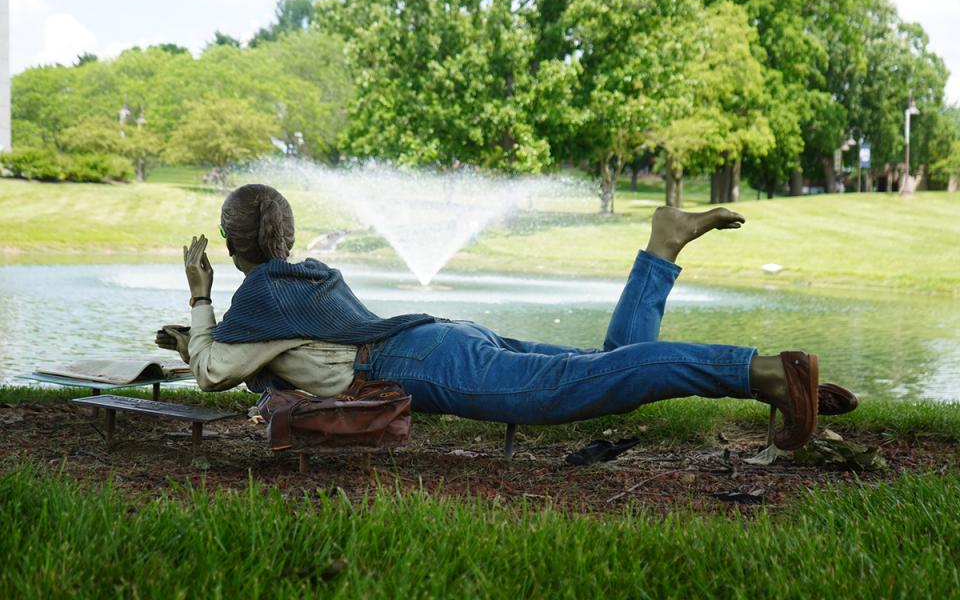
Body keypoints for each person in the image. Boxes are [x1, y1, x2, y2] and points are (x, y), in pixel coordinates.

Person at [157, 184, 856, 450]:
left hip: (421, 362)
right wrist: (199, 333)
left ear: (230, 245)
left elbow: (215, 374)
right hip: (439, 336)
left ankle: (766, 373)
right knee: (600, 369)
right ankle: (661, 246)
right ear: (285, 231)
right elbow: (276, 355)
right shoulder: (306, 277)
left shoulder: (254, 298)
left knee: (577, 389)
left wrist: (199, 298)